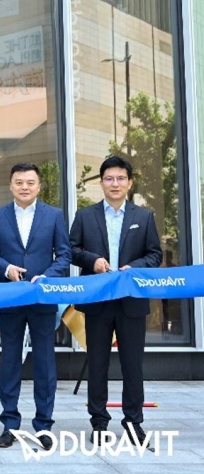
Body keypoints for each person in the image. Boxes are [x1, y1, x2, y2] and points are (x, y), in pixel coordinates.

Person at [69, 156, 162, 445]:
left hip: (131, 301)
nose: (115, 183)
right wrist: (92, 261)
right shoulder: (85, 216)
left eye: (121, 178)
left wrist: (135, 267)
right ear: (101, 183)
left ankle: (134, 422)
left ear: (130, 183)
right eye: (109, 178)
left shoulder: (143, 217)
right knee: (97, 364)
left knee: (132, 365)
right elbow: (71, 250)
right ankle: (99, 422)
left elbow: (155, 255)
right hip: (98, 300)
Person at [0, 162, 71, 450]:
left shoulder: (54, 215)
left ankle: (44, 426)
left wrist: (48, 276)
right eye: (19, 182)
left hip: (42, 299)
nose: (24, 187)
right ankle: (10, 424)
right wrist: (5, 268)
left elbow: (64, 255)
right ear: (11, 186)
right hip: (10, 297)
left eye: (30, 182)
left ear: (39, 186)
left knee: (45, 362)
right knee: (10, 360)